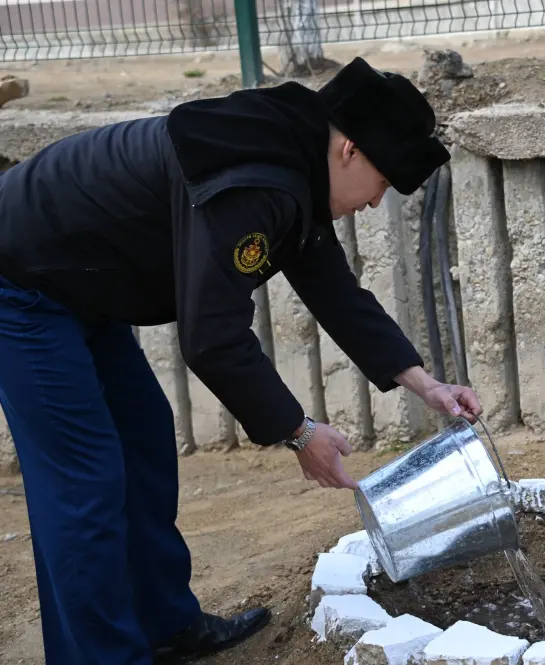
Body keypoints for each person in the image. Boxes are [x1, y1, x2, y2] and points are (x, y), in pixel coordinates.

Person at [0, 56, 482, 663]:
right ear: (351, 152)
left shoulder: (296, 155)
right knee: (85, 483)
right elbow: (212, 340)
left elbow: (333, 288)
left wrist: (424, 384)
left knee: (144, 443)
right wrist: (299, 433)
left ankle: (165, 626)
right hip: (21, 283)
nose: (373, 204)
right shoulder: (258, 181)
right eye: (383, 186)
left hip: (82, 281)